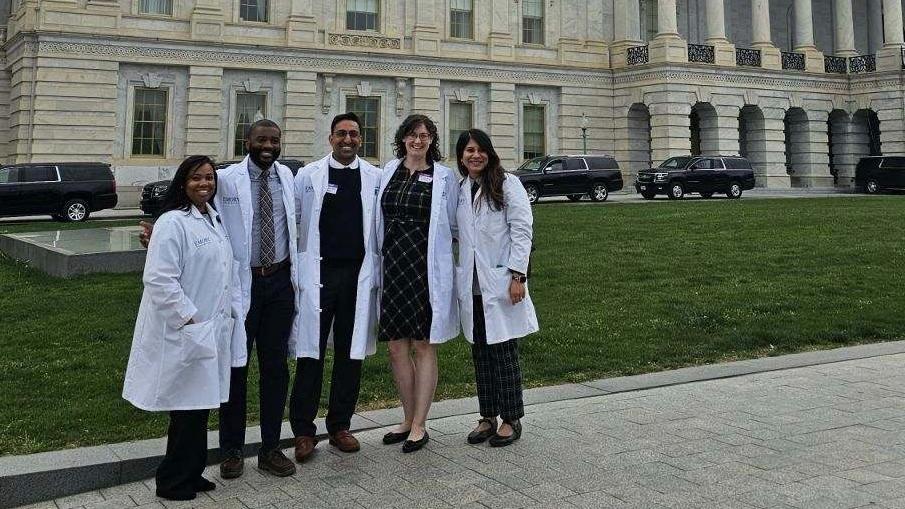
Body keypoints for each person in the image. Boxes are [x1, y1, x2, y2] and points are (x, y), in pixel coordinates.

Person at [139, 119, 300, 479]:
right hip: (241, 286)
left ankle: (271, 448)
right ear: (247, 142)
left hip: (279, 283)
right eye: (261, 139)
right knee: (234, 367)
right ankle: (232, 450)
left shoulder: (287, 178)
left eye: (274, 140)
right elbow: (194, 204)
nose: (268, 146)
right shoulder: (225, 179)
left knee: (275, 368)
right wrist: (158, 233)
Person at [123, 155, 244, 501]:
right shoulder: (173, 222)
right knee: (185, 409)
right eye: (196, 178)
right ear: (182, 183)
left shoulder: (213, 218)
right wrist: (190, 319)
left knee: (199, 406)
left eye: (209, 178)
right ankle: (172, 480)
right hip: (187, 329)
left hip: (210, 328)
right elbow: (159, 280)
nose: (204, 184)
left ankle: (192, 471)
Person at [289, 112, 381, 461]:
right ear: (330, 138)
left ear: (361, 139)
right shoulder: (309, 176)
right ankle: (303, 431)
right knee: (310, 353)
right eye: (341, 133)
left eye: (354, 134)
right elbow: (291, 215)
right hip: (320, 275)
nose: (347, 139)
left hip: (357, 277)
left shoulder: (374, 176)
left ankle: (340, 425)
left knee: (349, 353)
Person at [375, 114, 459, 453]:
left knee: (423, 345)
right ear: (403, 138)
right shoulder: (388, 172)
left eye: (424, 135)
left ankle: (421, 424)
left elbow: (454, 226)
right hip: (393, 268)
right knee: (397, 347)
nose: (418, 141)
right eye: (412, 134)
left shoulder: (444, 177)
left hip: (425, 271)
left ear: (432, 140)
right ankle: (407, 418)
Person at [453, 129, 538, 447]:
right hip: (473, 285)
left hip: (502, 282)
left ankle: (511, 418)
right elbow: (456, 231)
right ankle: (487, 415)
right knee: (480, 352)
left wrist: (518, 277)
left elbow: (522, 230)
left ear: (489, 152)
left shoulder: (507, 184)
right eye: (468, 151)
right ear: (461, 157)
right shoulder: (462, 188)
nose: (474, 155)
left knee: (503, 352)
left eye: (479, 150)